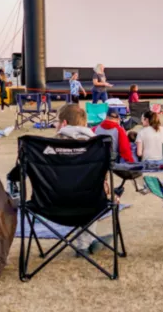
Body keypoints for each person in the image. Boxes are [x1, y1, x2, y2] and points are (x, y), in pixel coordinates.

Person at [55, 104, 113, 256]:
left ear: (64, 124)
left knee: (84, 191)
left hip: (52, 200)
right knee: (91, 191)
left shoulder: (47, 147)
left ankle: (89, 242)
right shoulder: (98, 145)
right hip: (90, 200)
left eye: (57, 122)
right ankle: (86, 244)